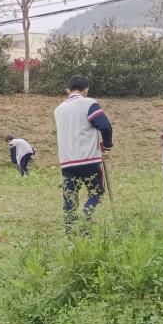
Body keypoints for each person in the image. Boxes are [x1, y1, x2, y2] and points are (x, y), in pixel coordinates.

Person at [53, 75, 113, 229]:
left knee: (70, 197)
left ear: (68, 90)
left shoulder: (58, 110)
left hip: (67, 162)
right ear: (86, 90)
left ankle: (70, 231)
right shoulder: (89, 103)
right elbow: (105, 126)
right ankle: (86, 221)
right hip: (89, 159)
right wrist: (107, 146)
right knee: (96, 193)